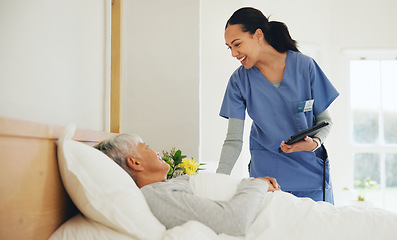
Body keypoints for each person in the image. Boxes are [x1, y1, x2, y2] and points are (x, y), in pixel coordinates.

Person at [217, 7, 339, 203]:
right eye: (229, 47)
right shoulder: (239, 81)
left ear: (258, 35)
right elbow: (233, 140)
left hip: (310, 178)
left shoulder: (305, 67)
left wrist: (314, 143)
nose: (233, 53)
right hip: (267, 182)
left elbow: (325, 121)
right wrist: (218, 183)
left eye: (237, 44)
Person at [94, 133, 280, 236]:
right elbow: (233, 221)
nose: (156, 151)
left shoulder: (164, 186)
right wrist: (257, 185)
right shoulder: (154, 195)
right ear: (135, 163)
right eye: (147, 147)